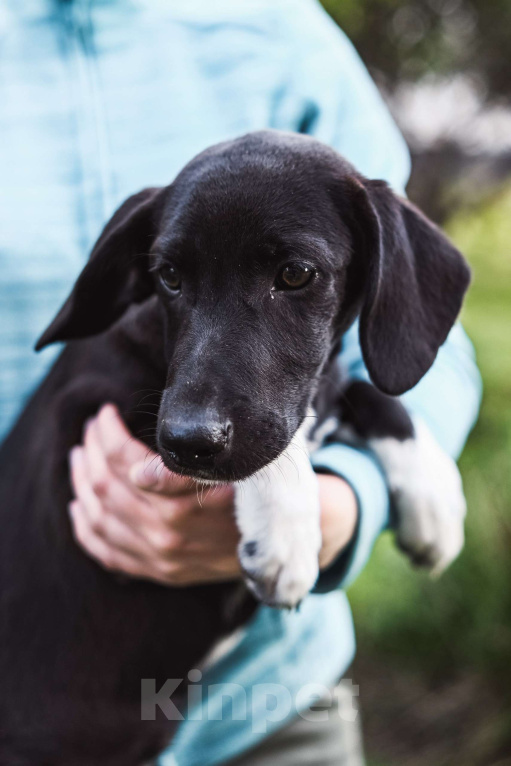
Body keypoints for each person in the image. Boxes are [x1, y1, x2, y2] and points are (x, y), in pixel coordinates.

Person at [0, 1, 482, 764]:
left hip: (270, 709)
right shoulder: (111, 359)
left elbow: (416, 338)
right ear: (136, 272)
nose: (192, 422)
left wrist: (350, 500)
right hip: (50, 730)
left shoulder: (275, 31)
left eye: (292, 273)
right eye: (173, 278)